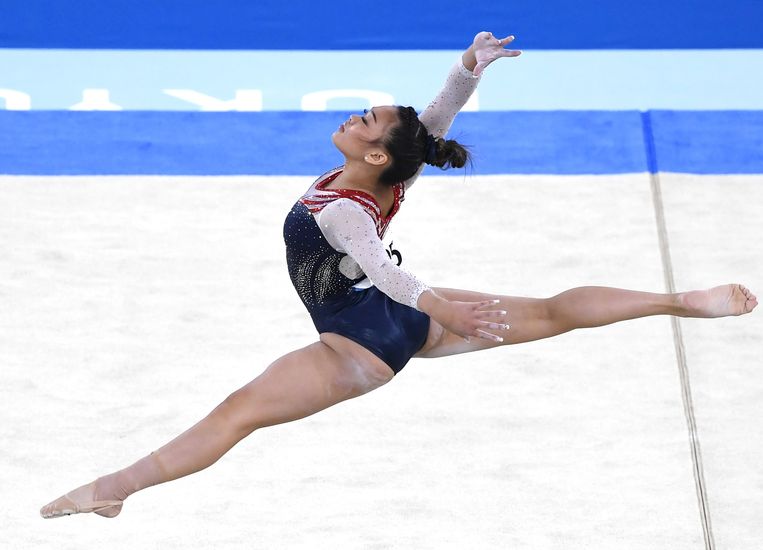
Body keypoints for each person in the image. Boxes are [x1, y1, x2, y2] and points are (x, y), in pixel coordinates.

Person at [40, 31, 757, 519]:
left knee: (234, 415)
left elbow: (385, 273)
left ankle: (113, 489)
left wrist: (443, 307)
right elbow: (432, 120)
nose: (353, 118)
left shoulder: (345, 211)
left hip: (357, 346)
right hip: (395, 324)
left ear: (376, 154)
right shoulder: (392, 174)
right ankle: (676, 301)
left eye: (364, 119)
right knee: (549, 311)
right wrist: (465, 69)